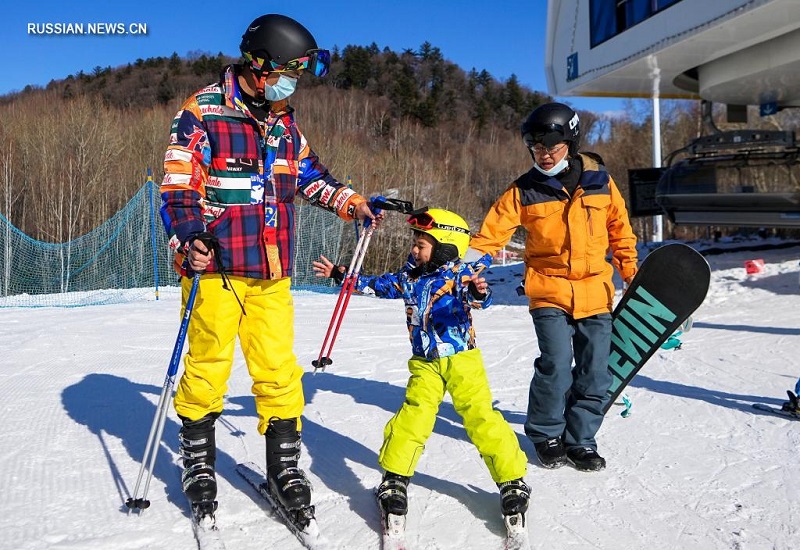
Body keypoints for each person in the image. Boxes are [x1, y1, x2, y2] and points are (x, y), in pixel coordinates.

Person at [159, 13, 377, 521]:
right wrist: (191, 239)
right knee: (208, 367)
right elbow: (177, 187)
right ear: (260, 66)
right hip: (214, 270)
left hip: (271, 270)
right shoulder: (202, 112)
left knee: (280, 371)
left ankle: (283, 468)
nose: (292, 84)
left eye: (298, 76)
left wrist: (350, 202)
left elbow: (310, 176)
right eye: (289, 73)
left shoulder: (284, 121)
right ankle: (198, 462)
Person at [313, 208, 530, 524]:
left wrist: (476, 293)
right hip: (425, 364)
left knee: (481, 416)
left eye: (421, 244)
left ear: (443, 247)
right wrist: (340, 274)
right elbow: (375, 284)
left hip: (462, 360)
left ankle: (511, 479)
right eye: (414, 243)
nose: (414, 249)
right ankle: (395, 477)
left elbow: (478, 298)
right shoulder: (408, 277)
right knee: (414, 415)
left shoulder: (458, 274)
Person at [466, 102, 638, 472]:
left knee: (595, 371)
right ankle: (546, 433)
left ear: (570, 143)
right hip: (548, 290)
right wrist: (461, 268)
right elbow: (489, 235)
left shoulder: (600, 182)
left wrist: (631, 272)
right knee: (557, 364)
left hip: (595, 292)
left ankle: (582, 440)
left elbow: (620, 232)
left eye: (551, 148)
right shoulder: (524, 190)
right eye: (536, 149)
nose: (543, 156)